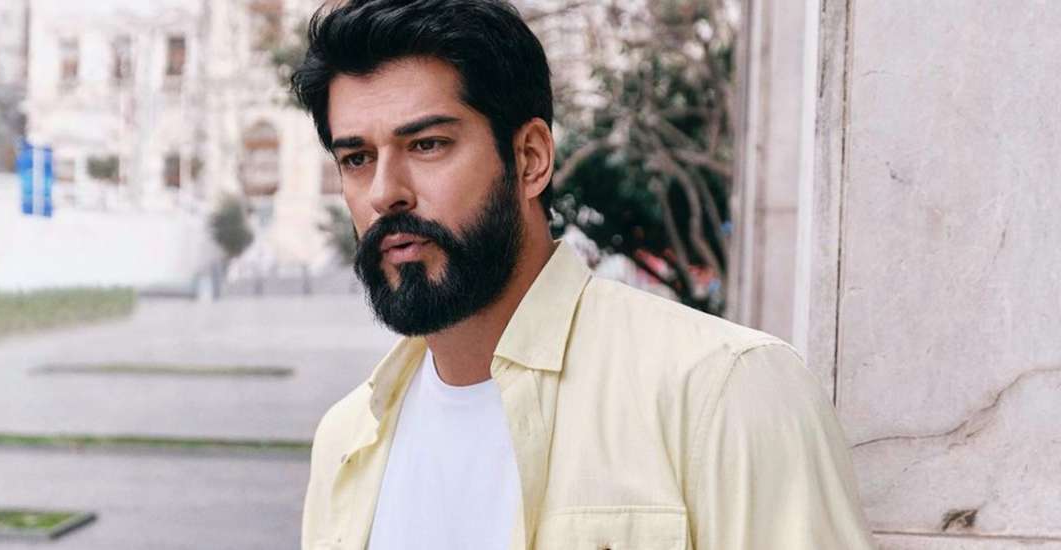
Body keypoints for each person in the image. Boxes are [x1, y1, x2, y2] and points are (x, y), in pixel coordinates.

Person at [291, 1, 876, 548]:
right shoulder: (347, 440)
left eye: (427, 144)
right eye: (357, 159)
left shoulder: (723, 391)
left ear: (530, 158)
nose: (384, 192)